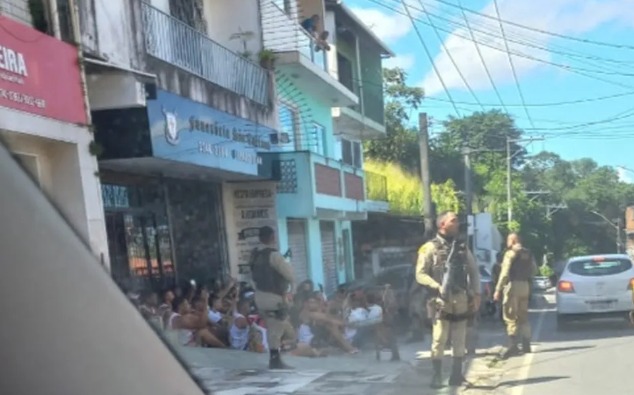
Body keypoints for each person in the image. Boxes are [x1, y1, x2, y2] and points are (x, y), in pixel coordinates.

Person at [415, 211, 481, 388]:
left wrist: (477, 294)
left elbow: (474, 271)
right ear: (442, 225)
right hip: (440, 300)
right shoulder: (429, 248)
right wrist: (436, 285)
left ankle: (456, 376)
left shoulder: (461, 247)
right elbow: (420, 274)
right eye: (453, 221)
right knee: (439, 339)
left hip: (460, 297)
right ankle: (437, 377)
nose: (457, 223)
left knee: (460, 339)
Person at [251, 226, 295, 369]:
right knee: (276, 328)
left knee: (276, 328)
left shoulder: (254, 254)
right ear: (272, 237)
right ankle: (275, 360)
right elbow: (290, 275)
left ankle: (276, 357)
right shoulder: (274, 255)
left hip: (259, 296)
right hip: (274, 297)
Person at [494, 233, 538, 359]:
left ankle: (512, 345)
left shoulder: (510, 253)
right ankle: (526, 344)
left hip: (513, 285)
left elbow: (504, 272)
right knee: (523, 316)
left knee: (510, 316)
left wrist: (498, 289)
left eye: (508, 240)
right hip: (525, 286)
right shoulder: (528, 253)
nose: (506, 243)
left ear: (512, 241)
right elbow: (534, 270)